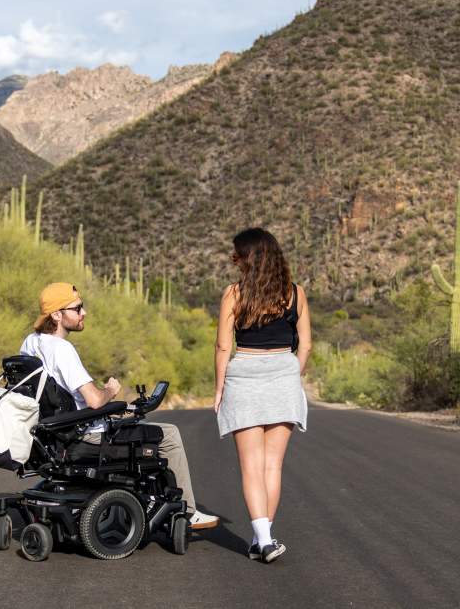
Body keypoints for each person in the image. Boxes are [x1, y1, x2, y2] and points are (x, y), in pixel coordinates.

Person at [20, 282, 219, 530]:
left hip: (52, 437)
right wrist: (111, 391)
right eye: (77, 308)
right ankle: (188, 512)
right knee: (168, 434)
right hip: (84, 438)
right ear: (57, 315)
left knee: (131, 424)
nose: (84, 313)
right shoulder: (62, 349)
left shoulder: (30, 344)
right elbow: (93, 400)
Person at [214, 228, 310, 563]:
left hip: (245, 378)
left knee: (251, 466)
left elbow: (224, 345)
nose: (232, 258)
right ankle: (263, 538)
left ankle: (264, 540)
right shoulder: (295, 294)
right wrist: (288, 374)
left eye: (236, 253)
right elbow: (306, 345)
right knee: (273, 465)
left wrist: (219, 387)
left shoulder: (234, 294)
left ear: (250, 257)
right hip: (284, 375)